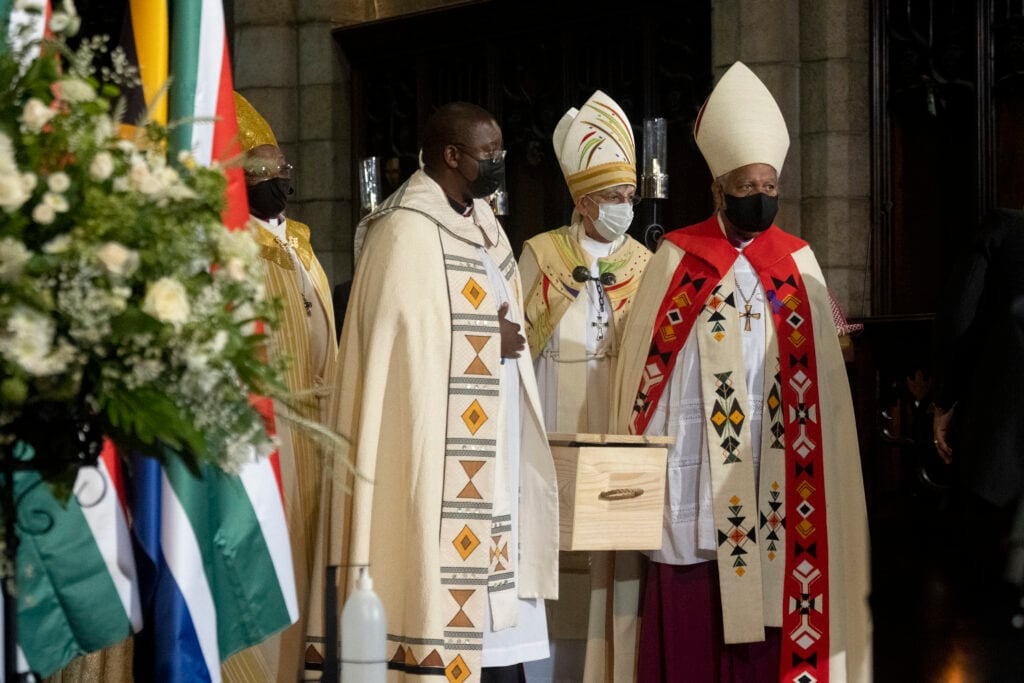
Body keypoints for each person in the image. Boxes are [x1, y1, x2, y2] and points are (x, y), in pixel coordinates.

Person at [611, 62, 872, 682]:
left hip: (778, 474)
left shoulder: (797, 263)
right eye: (747, 184)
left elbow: (824, 374)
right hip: (695, 468)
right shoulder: (677, 256)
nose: (760, 196)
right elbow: (646, 374)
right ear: (719, 188)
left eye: (770, 184)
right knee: (692, 590)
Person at [329, 102, 559, 682]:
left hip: (492, 436)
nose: (500, 163)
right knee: (443, 590)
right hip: (436, 445)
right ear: (451, 155)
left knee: (501, 631)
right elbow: (403, 341)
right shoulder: (403, 228)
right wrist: (489, 334)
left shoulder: (483, 221)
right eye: (490, 153)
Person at [517, 90, 649, 682]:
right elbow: (511, 346)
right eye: (614, 198)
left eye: (629, 196)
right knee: (549, 563)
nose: (625, 206)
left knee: (609, 564)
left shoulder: (648, 264)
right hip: (549, 429)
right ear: (583, 199)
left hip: (616, 437)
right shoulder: (540, 255)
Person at [224, 92, 338, 682]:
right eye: (264, 173)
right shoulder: (232, 248)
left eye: (283, 170)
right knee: (268, 560)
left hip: (314, 426)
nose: (279, 183)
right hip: (264, 432)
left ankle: (305, 665)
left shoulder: (301, 244)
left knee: (309, 558)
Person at [932, 207, 1024, 623]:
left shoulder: (1004, 229)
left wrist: (945, 400)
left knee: (983, 614)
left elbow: (958, 318)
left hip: (1001, 436)